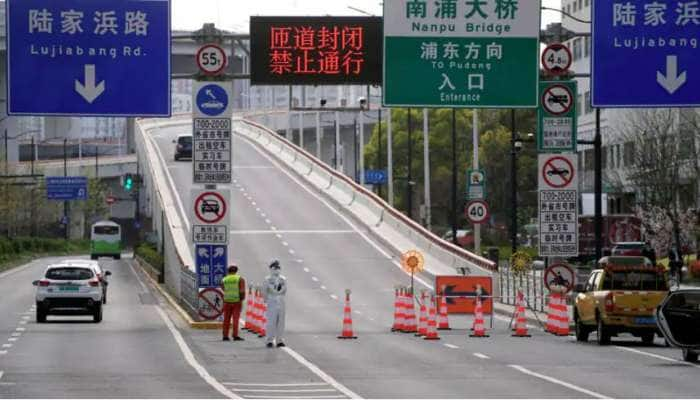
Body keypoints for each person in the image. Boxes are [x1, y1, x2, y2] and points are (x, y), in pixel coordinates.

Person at [264, 260, 287, 348]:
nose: (277, 269)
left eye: (278, 267)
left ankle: (280, 340)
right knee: (271, 322)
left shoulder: (283, 279)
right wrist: (267, 301)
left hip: (281, 301)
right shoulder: (267, 279)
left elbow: (285, 290)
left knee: (281, 322)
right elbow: (264, 291)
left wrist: (281, 298)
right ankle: (269, 340)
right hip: (272, 301)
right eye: (275, 267)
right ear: (271, 268)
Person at [220, 265, 246, 342]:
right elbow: (242, 291)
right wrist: (242, 299)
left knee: (226, 319)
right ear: (236, 271)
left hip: (227, 301)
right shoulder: (240, 279)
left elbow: (223, 288)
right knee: (235, 319)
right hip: (236, 301)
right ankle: (235, 335)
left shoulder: (224, 279)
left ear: (228, 271)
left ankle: (225, 336)